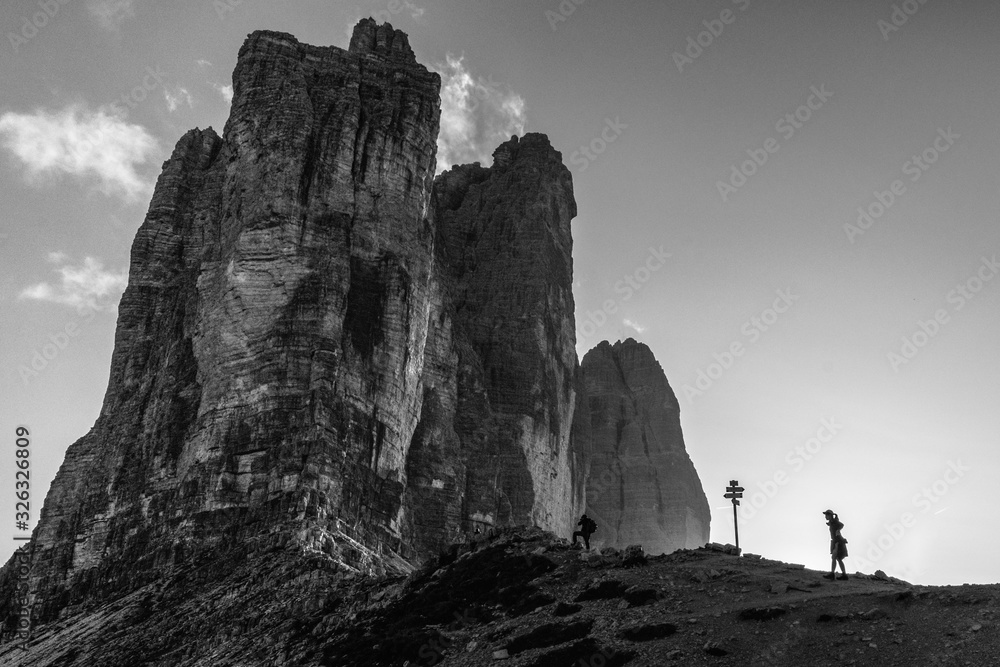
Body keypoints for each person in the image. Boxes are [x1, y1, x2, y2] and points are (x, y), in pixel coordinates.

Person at [822, 509, 849, 580]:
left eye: (826, 515)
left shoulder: (834, 521)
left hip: (838, 541)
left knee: (835, 558)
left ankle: (833, 574)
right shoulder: (832, 522)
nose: (825, 516)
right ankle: (843, 575)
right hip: (835, 541)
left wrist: (838, 530)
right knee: (838, 558)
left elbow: (841, 525)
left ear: (830, 515)